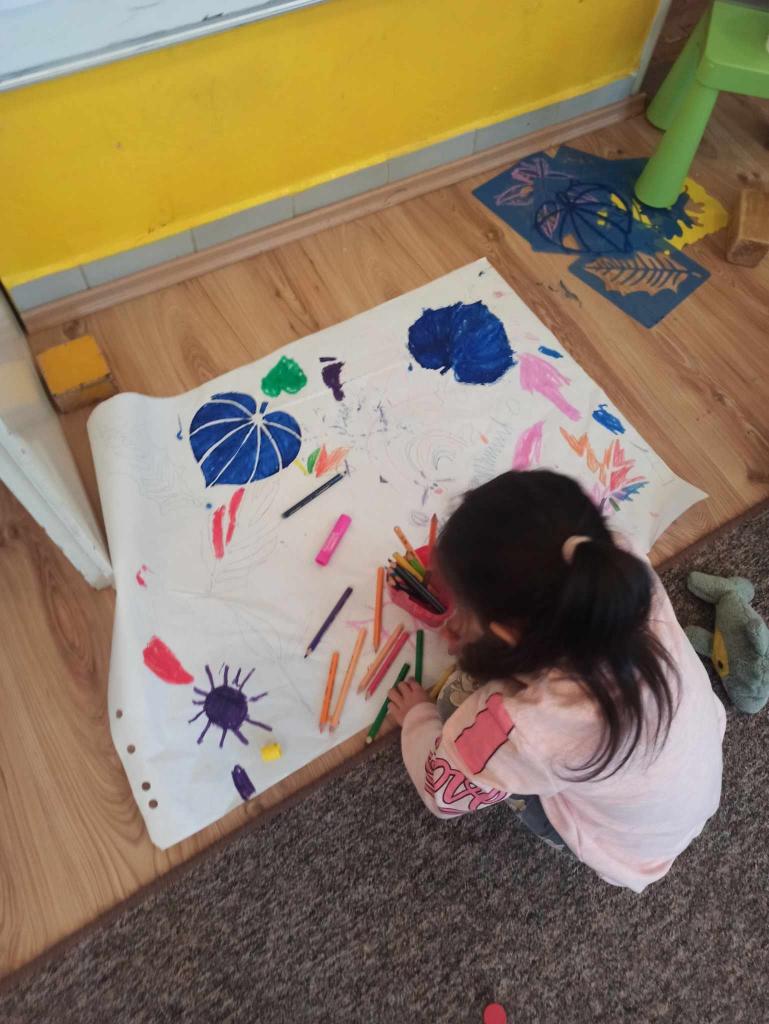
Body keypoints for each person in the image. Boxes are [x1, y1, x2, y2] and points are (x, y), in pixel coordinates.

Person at [387, 470, 726, 892]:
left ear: (505, 634)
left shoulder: (524, 727)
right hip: (686, 777)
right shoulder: (619, 568)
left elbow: (442, 792)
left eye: (465, 610)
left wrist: (417, 717)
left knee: (452, 705)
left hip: (626, 847)